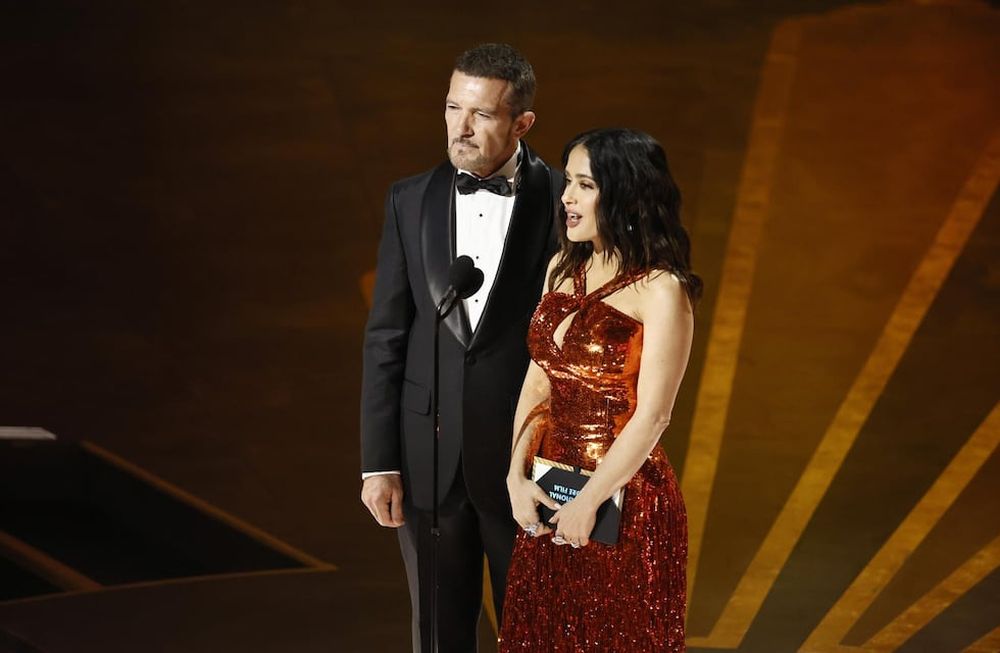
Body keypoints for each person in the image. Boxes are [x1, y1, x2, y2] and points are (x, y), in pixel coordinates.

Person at [360, 43, 561, 652]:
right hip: (427, 461)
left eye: (482, 114)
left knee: (535, 632)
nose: (461, 128)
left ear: (522, 123)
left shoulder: (566, 203)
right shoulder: (409, 199)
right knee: (438, 634)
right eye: (453, 108)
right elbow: (387, 335)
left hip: (524, 464)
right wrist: (379, 461)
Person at [499, 128, 701, 652]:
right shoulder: (562, 269)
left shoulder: (662, 289)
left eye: (584, 185)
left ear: (626, 194)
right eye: (568, 182)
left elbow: (654, 415)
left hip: (625, 504)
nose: (566, 197)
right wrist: (516, 475)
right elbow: (538, 382)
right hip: (549, 494)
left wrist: (589, 502)